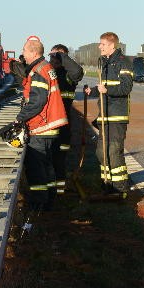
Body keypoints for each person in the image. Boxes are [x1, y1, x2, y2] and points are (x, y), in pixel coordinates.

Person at [3, 37, 69, 210]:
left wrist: (20, 118)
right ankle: (49, 200)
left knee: (36, 168)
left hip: (41, 126)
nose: (22, 53)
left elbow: (37, 101)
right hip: (49, 126)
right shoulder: (45, 67)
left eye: (24, 50)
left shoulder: (39, 71)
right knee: (46, 166)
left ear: (33, 52)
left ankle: (39, 204)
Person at [84, 32, 133, 196]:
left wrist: (108, 90)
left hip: (117, 116)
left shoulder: (123, 63)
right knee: (101, 152)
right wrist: (92, 92)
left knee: (113, 151)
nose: (99, 47)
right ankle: (107, 184)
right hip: (104, 115)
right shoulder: (103, 63)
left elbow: (126, 88)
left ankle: (121, 188)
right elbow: (102, 88)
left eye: (102, 44)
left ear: (112, 45)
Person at [49, 44, 84, 194]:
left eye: (59, 56)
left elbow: (78, 71)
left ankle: (60, 190)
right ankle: (49, 191)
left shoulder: (68, 74)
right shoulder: (46, 72)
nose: (55, 59)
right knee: (46, 157)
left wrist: (62, 56)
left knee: (60, 158)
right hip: (47, 124)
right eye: (53, 56)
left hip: (63, 124)